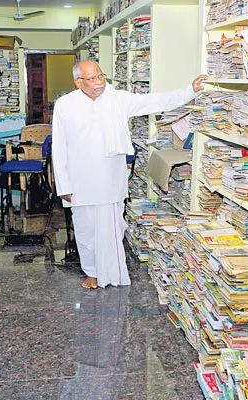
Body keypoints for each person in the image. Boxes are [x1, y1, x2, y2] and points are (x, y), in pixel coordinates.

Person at [52, 60, 207, 289]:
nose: (98, 82)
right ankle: (92, 273)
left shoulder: (118, 99)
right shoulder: (65, 105)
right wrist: (64, 185)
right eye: (91, 78)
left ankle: (114, 274)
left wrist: (189, 91)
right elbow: (60, 147)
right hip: (79, 179)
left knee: (112, 228)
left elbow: (154, 102)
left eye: (100, 76)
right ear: (78, 82)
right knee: (85, 230)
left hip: (110, 176)